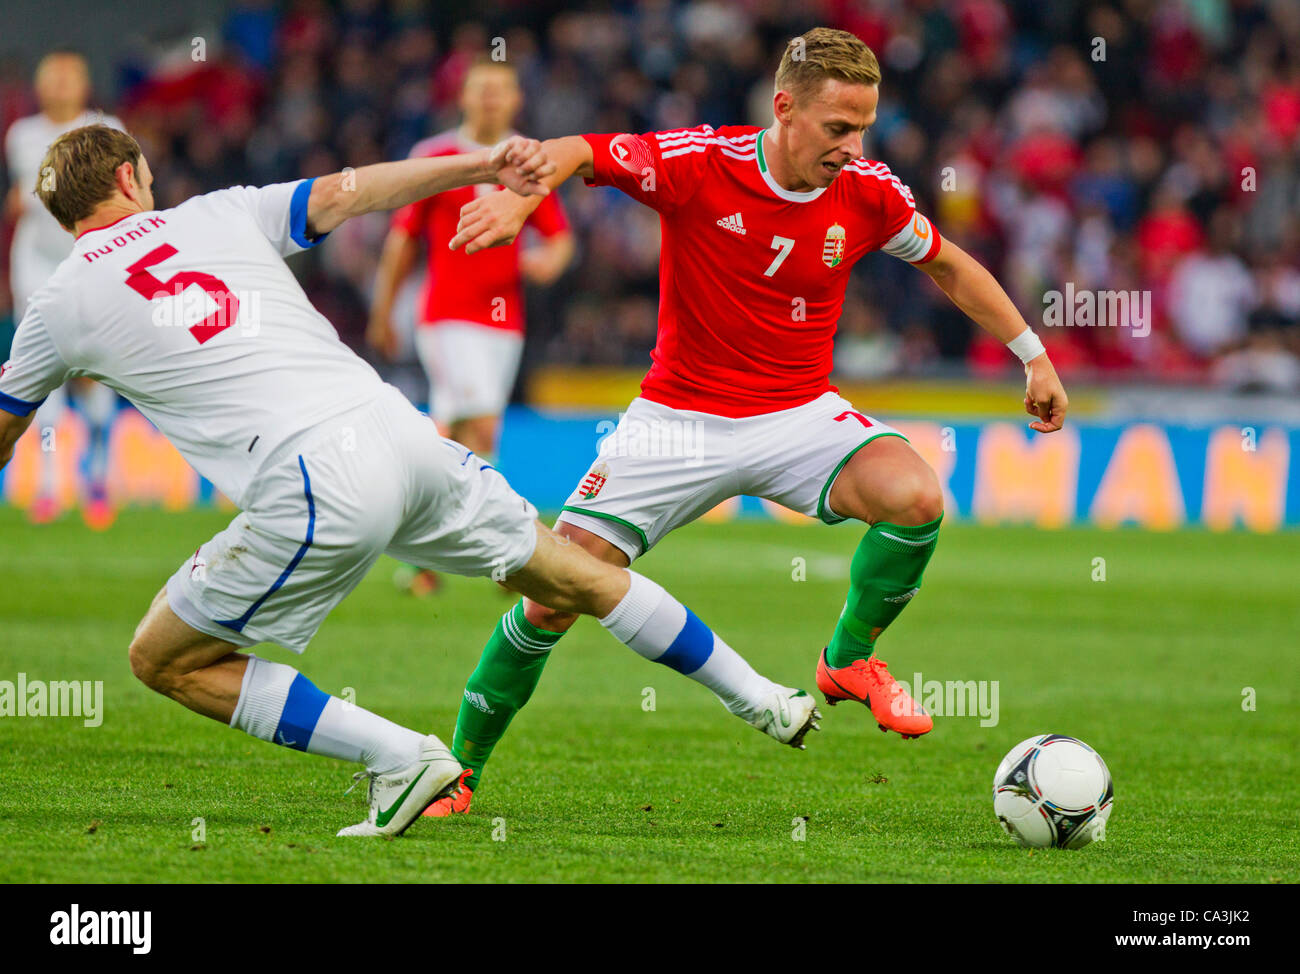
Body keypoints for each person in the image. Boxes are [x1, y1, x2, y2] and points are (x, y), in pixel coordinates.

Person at [0, 124, 816, 838]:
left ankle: (404, 758)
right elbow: (359, 191)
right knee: (577, 575)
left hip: (311, 479)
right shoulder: (218, 210)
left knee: (163, 659)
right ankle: (764, 699)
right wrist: (479, 164)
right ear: (127, 178)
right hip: (397, 429)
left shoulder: (57, 301)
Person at [427, 27, 1070, 817]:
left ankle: (849, 661)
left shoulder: (868, 191)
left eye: (864, 126)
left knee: (915, 497)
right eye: (839, 127)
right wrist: (522, 194)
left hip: (798, 411)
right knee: (553, 592)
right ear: (784, 108)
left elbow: (947, 263)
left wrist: (1032, 354)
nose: (854, 145)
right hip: (678, 418)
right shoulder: (702, 162)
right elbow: (580, 151)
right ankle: (455, 772)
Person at [368, 56, 574, 596]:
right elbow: (402, 238)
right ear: (462, 98)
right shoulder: (435, 157)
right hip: (446, 314)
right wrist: (384, 309)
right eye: (480, 90)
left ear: (515, 100)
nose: (490, 99)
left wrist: (548, 260)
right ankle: (512, 551)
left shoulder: (531, 158)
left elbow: (558, 235)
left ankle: (424, 557)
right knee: (478, 428)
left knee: (461, 435)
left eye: (500, 90)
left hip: (503, 322)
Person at [4, 49, 123, 529]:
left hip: (92, 261)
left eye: (67, 76)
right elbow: (26, 194)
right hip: (35, 265)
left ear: (84, 83)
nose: (58, 84)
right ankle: (52, 483)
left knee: (95, 370)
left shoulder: (109, 129)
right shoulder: (22, 135)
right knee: (40, 372)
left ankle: (98, 472)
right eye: (50, 76)